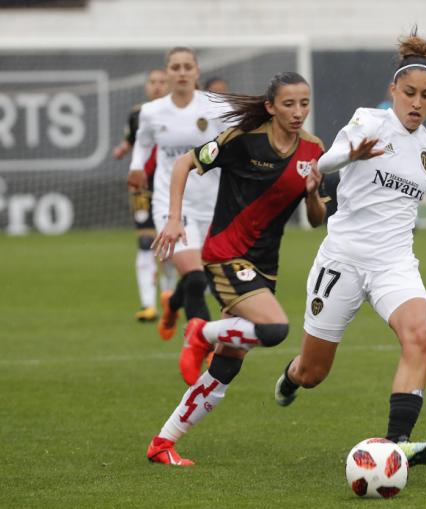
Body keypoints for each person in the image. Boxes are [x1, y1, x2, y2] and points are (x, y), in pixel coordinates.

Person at [273, 29, 426, 468]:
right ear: (393, 89)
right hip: (344, 257)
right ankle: (291, 376)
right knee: (314, 372)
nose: (416, 103)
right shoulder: (368, 122)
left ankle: (398, 443)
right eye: (409, 92)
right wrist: (353, 154)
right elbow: (322, 162)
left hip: (395, 263)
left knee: (419, 334)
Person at [146, 71, 327, 466]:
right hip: (226, 254)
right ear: (269, 107)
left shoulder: (313, 150)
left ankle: (163, 442)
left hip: (265, 267)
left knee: (226, 367)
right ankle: (200, 331)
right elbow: (182, 165)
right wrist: (174, 219)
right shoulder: (244, 141)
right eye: (288, 104)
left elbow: (316, 220)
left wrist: (314, 195)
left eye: (304, 103)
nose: (298, 112)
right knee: (274, 330)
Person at [129, 47, 232, 339]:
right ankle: (205, 348)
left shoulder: (214, 107)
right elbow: (143, 142)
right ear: (167, 73)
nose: (182, 72)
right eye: (176, 67)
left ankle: (173, 304)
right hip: (171, 205)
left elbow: (235, 141)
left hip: (213, 203)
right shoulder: (152, 112)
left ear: (197, 71)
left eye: (188, 66)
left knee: (206, 278)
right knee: (197, 278)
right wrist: (136, 167)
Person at [112, 68, 176, 322]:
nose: (157, 86)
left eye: (162, 82)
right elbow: (133, 139)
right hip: (142, 187)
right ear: (147, 86)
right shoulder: (138, 114)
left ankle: (169, 294)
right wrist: (122, 149)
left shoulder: (177, 114)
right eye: (153, 82)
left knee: (168, 245)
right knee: (144, 241)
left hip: (170, 186)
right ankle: (148, 304)